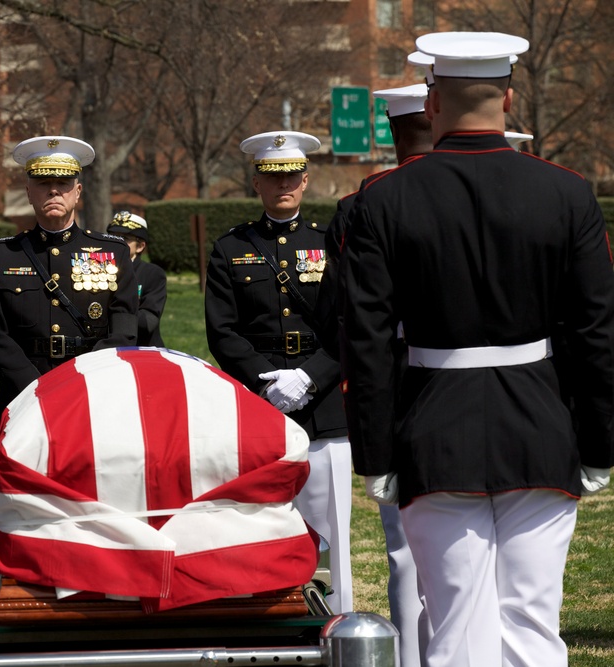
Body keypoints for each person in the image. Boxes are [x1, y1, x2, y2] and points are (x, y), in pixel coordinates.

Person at [340, 31, 614, 667]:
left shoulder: (384, 199)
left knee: (457, 627)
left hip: (435, 430)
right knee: (532, 624)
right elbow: (595, 331)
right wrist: (600, 442)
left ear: (432, 103)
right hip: (543, 428)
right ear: (510, 99)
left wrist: (374, 451)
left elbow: (369, 339)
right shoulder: (567, 192)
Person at [204, 131, 352, 613]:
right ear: (256, 182)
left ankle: (335, 623)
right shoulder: (231, 248)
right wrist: (266, 380)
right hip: (260, 401)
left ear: (306, 179)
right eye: (272, 176)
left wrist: (309, 377)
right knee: (261, 522)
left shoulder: (331, 242)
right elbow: (223, 330)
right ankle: (269, 617)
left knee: (330, 527)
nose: (282, 184)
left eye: (291, 175)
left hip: (324, 402)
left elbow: (350, 325)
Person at [317, 83, 434, 667]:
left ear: (392, 131)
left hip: (393, 387)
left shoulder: (361, 204)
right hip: (470, 384)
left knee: (406, 551)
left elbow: (346, 312)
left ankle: (413, 658)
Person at [0, 136, 138, 438]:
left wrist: (85, 380)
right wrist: (34, 388)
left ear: (78, 192)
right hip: (23, 393)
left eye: (63, 183)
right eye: (42, 182)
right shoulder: (0, 256)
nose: (53, 190)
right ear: (28, 192)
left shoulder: (113, 252)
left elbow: (124, 327)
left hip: (93, 390)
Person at [106, 211, 167, 347]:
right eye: (113, 237)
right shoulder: (97, 269)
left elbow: (148, 322)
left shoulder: (153, 274)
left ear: (140, 246)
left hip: (141, 350)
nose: (117, 242)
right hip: (103, 350)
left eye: (125, 238)